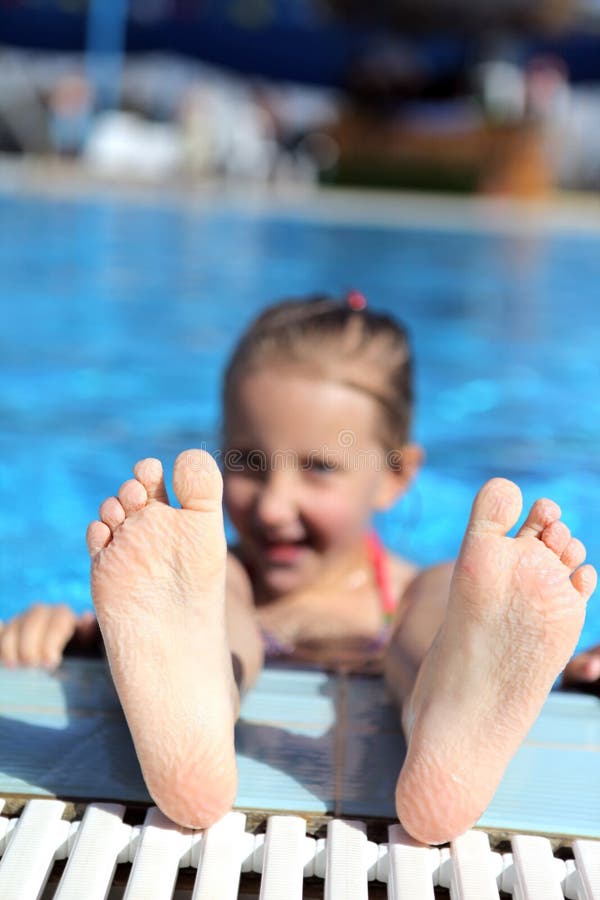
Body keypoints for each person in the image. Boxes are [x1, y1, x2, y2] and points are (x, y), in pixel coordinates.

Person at [0, 295, 596, 846]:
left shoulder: (419, 590)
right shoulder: (207, 578)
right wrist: (75, 635)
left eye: (318, 468)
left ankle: (456, 697)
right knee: (219, 587)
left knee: (449, 588)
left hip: (415, 612)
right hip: (216, 607)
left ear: (394, 474)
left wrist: (573, 672)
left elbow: (506, 629)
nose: (272, 505)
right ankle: (196, 690)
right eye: (249, 462)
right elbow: (125, 617)